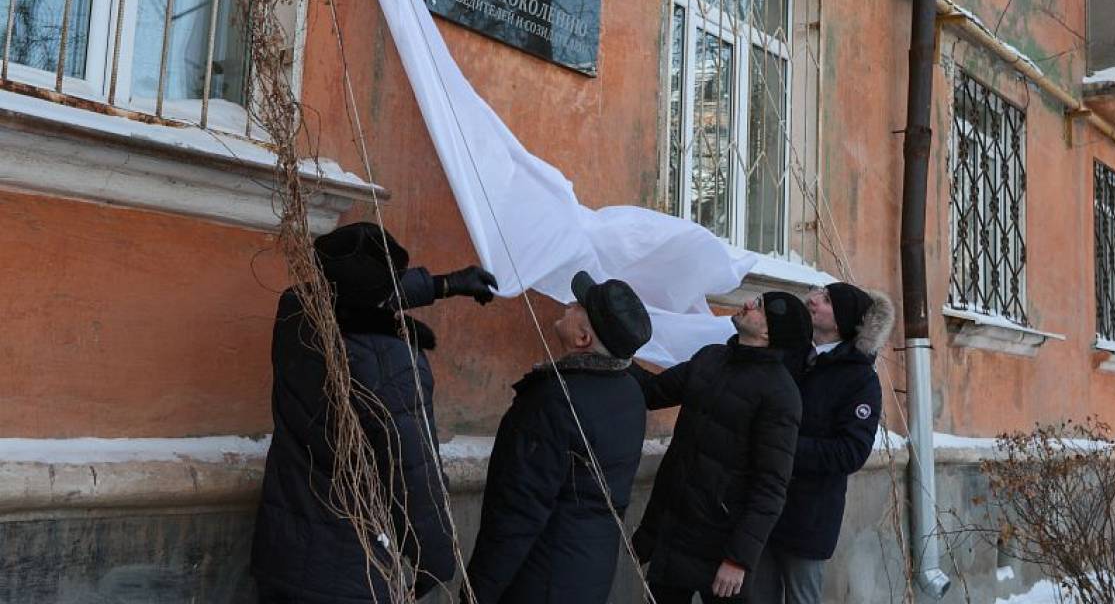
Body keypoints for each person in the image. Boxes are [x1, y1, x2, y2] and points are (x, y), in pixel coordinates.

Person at [252, 221, 497, 603]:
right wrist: (435, 563)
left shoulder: (295, 314)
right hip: (353, 570)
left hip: (282, 552)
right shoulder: (393, 366)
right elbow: (414, 476)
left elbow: (351, 296)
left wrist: (441, 285)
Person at [462, 271, 651, 604]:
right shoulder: (630, 391)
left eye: (580, 306)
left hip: (541, 579)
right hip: (588, 572)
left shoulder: (554, 399)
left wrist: (478, 591)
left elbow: (519, 512)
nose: (570, 303)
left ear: (582, 338)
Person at [631, 292, 809, 603]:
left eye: (761, 307)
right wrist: (614, 346)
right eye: (756, 298)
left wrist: (738, 559)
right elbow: (652, 392)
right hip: (675, 531)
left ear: (769, 333)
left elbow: (771, 486)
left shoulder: (781, 394)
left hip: (722, 548)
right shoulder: (710, 358)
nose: (750, 303)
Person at [749, 282, 893, 604]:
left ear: (842, 321)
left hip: (809, 515)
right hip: (760, 507)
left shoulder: (860, 379)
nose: (812, 299)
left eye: (826, 299)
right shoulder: (790, 353)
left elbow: (850, 452)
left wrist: (784, 448)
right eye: (817, 292)